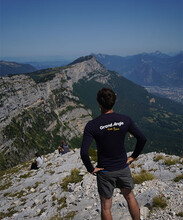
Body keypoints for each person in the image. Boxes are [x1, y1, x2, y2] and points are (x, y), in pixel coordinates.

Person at [80, 87, 147, 220]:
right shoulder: (125, 119)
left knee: (106, 207)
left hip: (105, 172)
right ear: (114, 102)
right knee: (130, 197)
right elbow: (142, 138)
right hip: (123, 167)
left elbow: (83, 152)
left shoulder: (92, 125)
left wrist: (91, 169)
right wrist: (133, 156)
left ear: (99, 104)